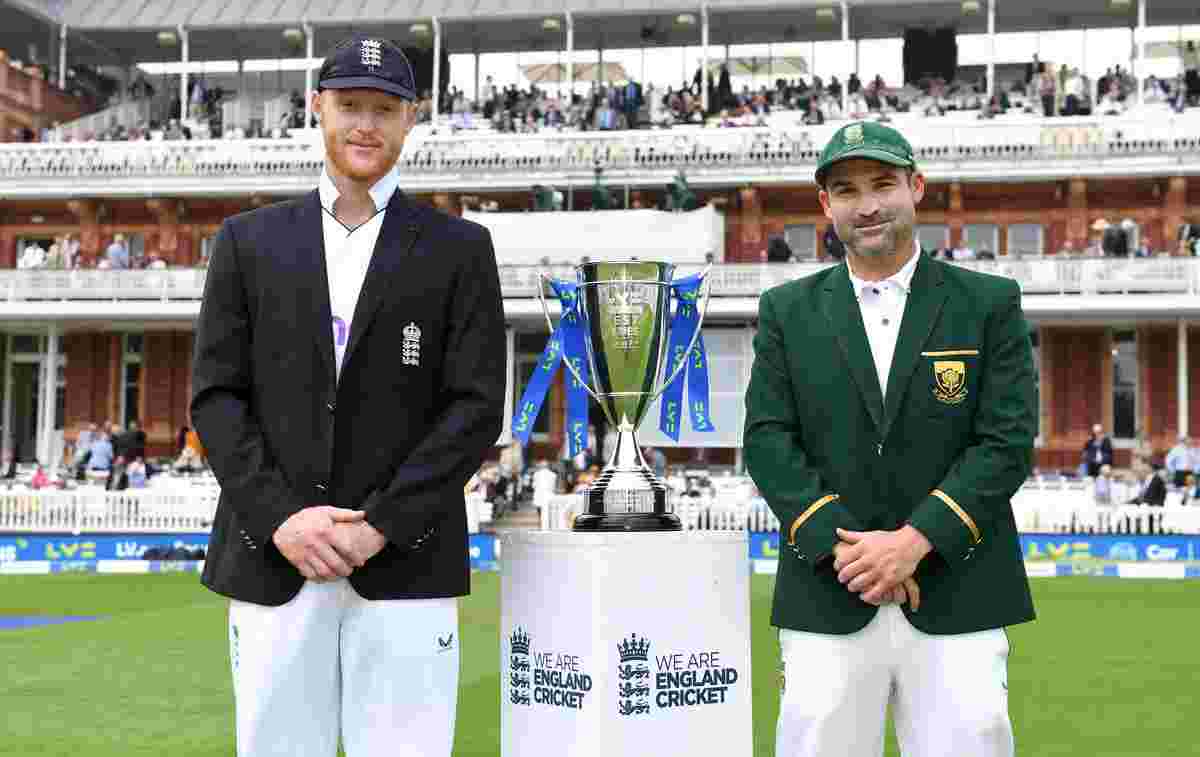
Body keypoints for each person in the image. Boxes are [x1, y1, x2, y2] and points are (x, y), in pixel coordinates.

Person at [190, 35, 506, 757]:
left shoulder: (460, 249)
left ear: (410, 119)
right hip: (274, 560)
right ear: (317, 108)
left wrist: (380, 525)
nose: (366, 125)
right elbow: (215, 397)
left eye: (385, 109)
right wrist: (282, 518)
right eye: (350, 106)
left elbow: (474, 407)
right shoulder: (246, 241)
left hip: (406, 563)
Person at [745, 121, 1037, 757]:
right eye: (846, 190)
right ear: (826, 204)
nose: (867, 205)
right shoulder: (787, 310)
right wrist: (847, 550)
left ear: (917, 187)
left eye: (883, 184)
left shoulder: (988, 302)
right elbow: (767, 441)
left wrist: (913, 542)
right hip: (828, 589)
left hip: (959, 587)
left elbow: (1006, 441)